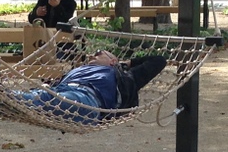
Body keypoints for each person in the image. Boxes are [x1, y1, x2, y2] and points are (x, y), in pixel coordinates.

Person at [14, 50, 167, 124]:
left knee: (45, 98)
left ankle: (6, 96)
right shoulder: (76, 70)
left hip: (87, 101)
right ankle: (3, 98)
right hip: (61, 92)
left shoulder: (122, 76)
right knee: (39, 95)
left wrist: (125, 63)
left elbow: (159, 61)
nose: (92, 56)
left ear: (113, 61)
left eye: (99, 53)